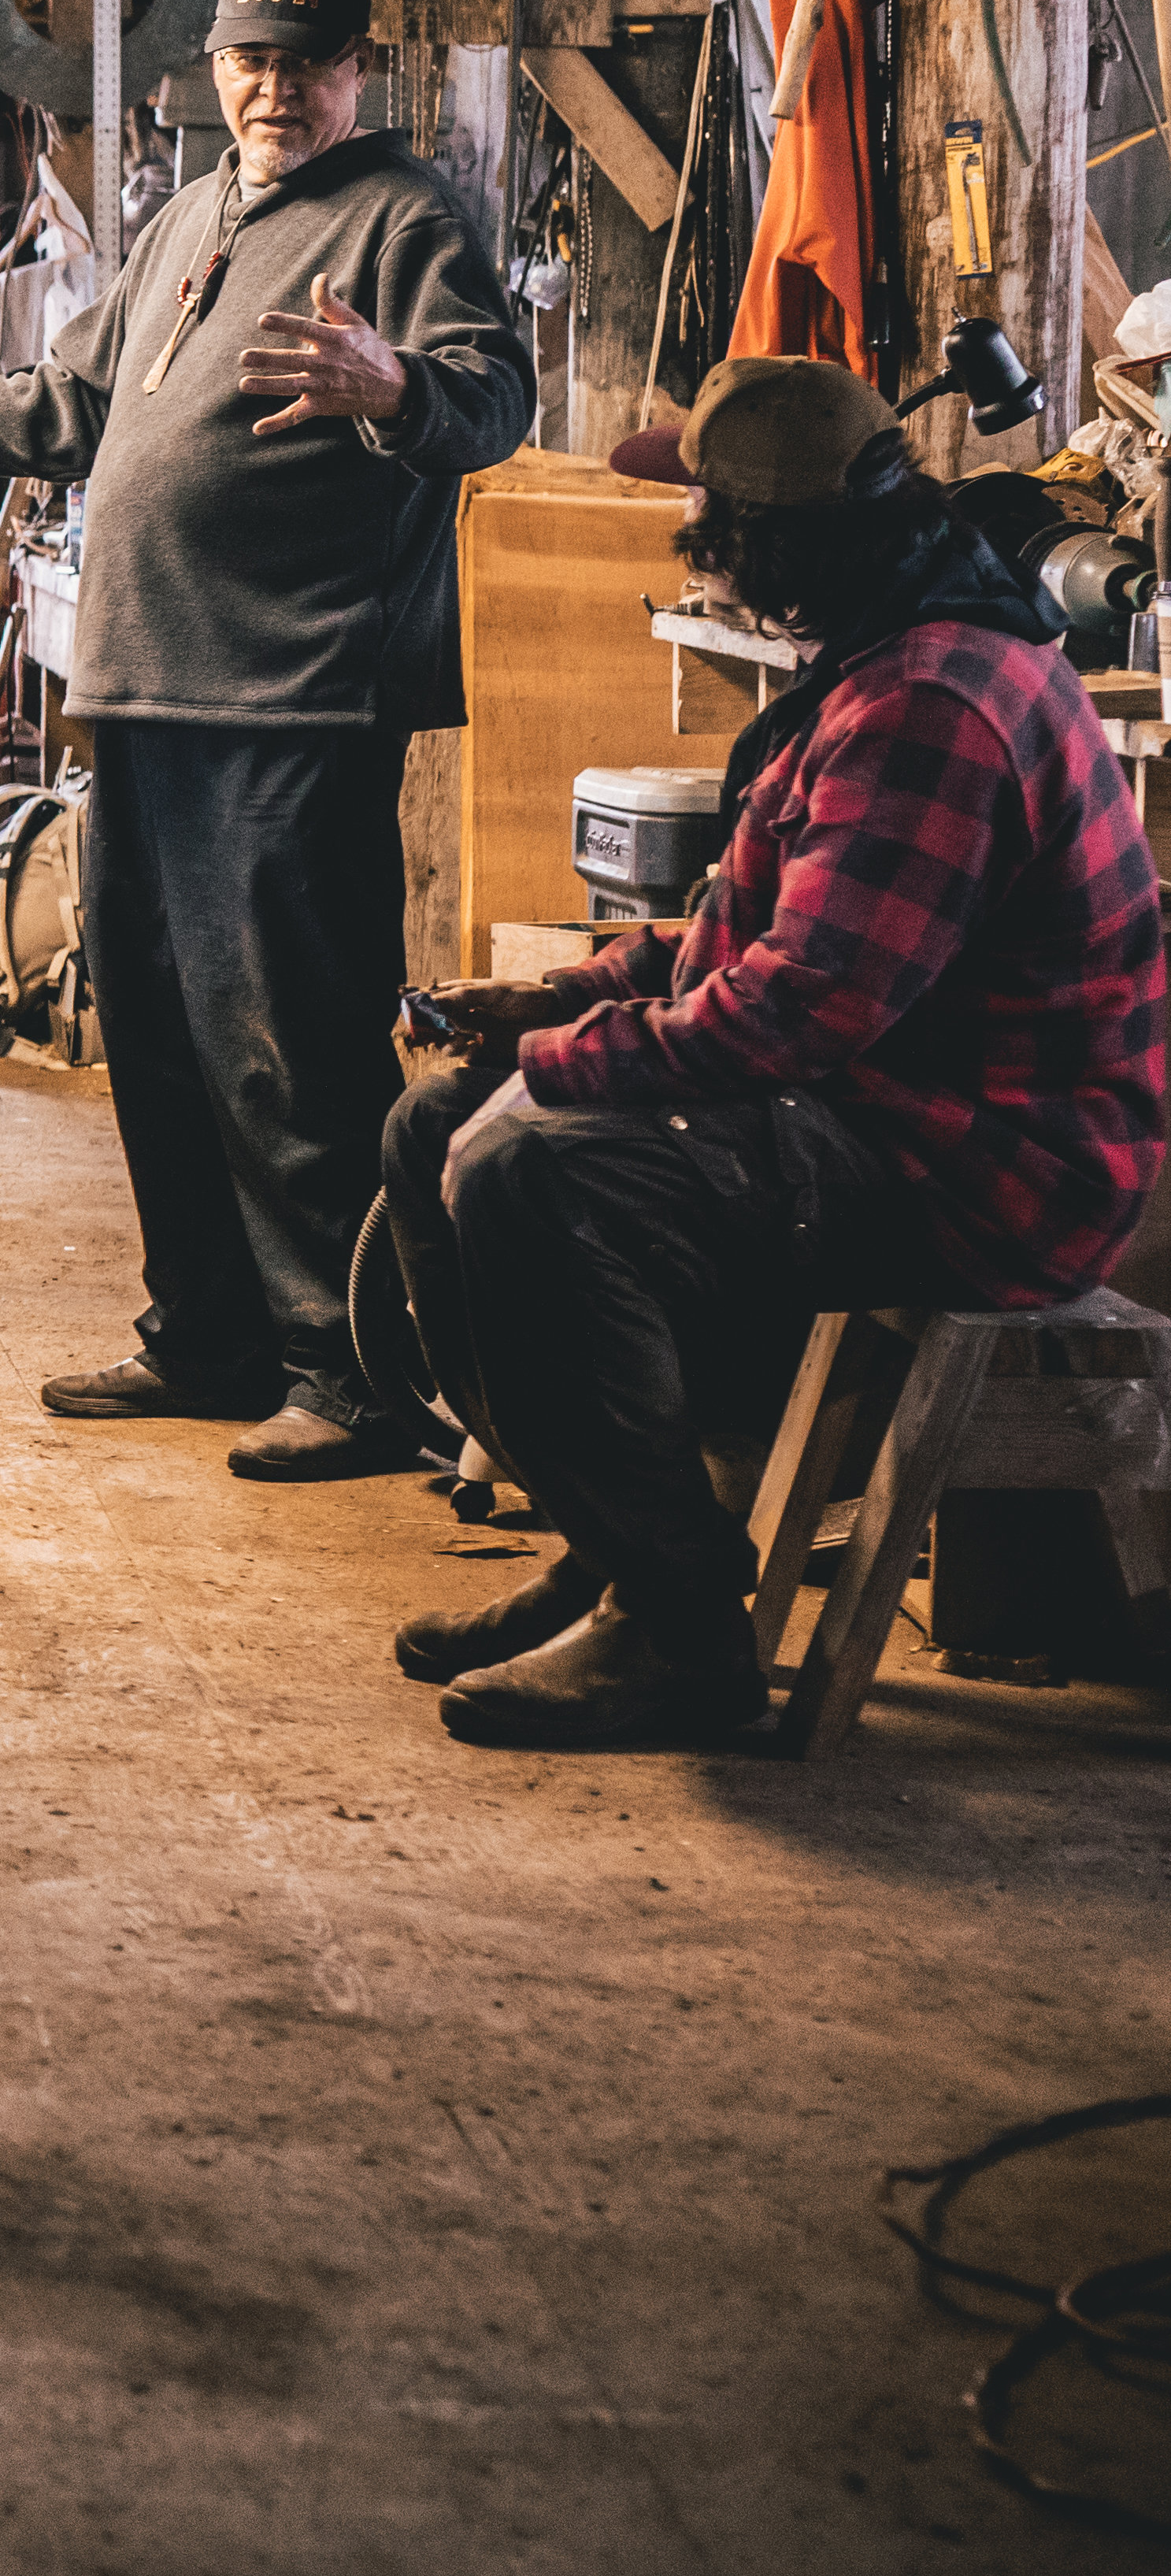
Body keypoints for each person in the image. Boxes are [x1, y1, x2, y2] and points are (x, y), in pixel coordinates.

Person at [0, 0, 534, 1474]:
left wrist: (396, 393)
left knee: (286, 1048)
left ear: (355, 70)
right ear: (216, 66)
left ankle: (349, 1371)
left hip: (288, 700)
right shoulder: (190, 217)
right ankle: (211, 1336)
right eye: (248, 59)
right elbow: (73, 400)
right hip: (147, 690)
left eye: (303, 64)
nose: (271, 89)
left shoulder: (402, 219)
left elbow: (488, 402)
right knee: (159, 1033)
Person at [380, 358, 1167, 1748]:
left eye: (708, 518)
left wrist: (560, 1070)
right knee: (434, 1128)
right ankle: (614, 1545)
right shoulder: (877, 646)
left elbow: (793, 1014)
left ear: (768, 543)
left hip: (985, 1173)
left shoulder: (936, 700)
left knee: (530, 1175)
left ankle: (681, 1632)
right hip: (890, 1104)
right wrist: (550, 1005)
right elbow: (741, 938)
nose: (693, 541)